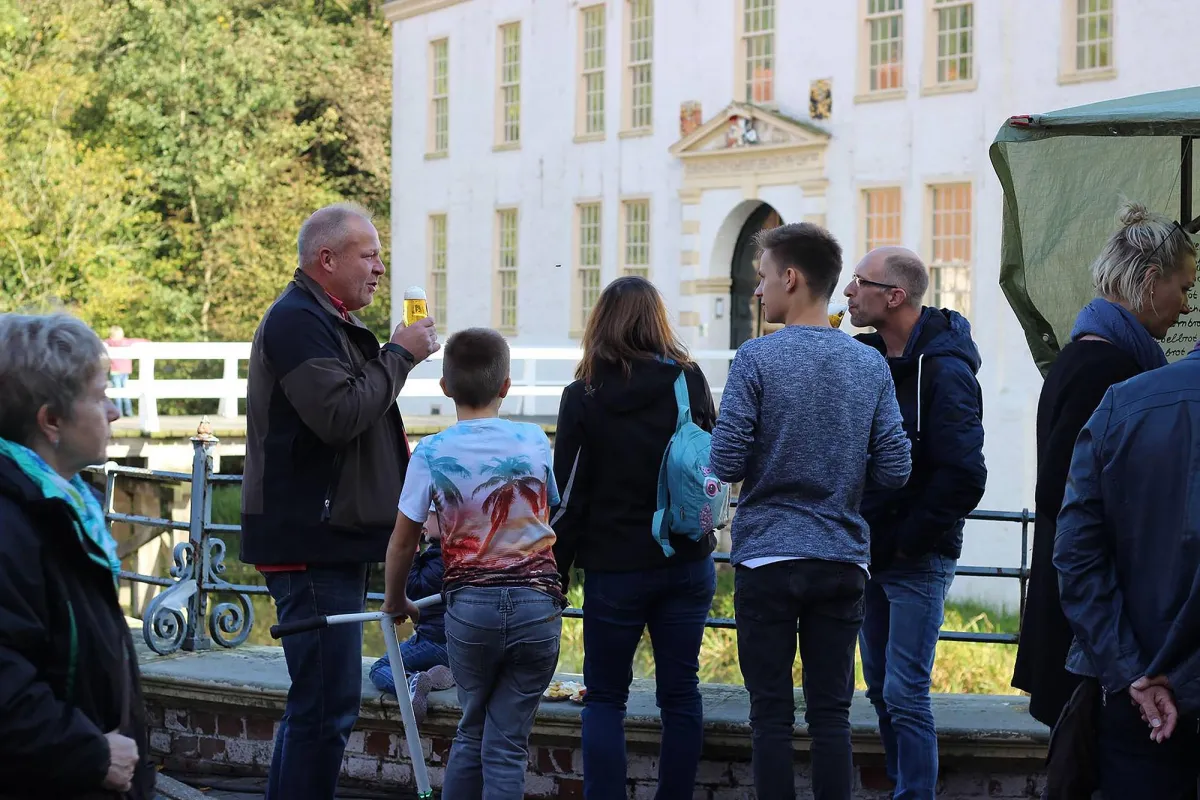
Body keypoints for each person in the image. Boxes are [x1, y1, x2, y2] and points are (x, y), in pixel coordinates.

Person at [240, 203, 440, 800]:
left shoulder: (327, 320)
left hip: (329, 536)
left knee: (320, 707)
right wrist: (399, 355)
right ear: (326, 260)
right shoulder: (297, 321)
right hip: (309, 539)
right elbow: (340, 415)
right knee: (326, 707)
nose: (380, 268)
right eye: (369, 255)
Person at [709, 222, 912, 800]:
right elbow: (896, 469)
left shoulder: (755, 359)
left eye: (763, 278)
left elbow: (724, 460)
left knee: (769, 716)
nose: (758, 291)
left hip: (767, 558)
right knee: (831, 717)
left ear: (791, 279)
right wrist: (842, 473)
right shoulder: (869, 364)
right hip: (840, 556)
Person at [1013, 202, 1197, 731]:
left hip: (1085, 623)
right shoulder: (1106, 368)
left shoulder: (1088, 355)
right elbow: (1059, 494)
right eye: (1183, 289)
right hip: (1090, 630)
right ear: (1149, 279)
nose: (1186, 307)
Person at [551, 275, 719, 799]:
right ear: (657, 321)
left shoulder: (583, 395)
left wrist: (555, 572)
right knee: (680, 693)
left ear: (599, 325)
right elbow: (712, 459)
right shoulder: (688, 381)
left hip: (614, 567)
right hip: (686, 559)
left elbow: (569, 497)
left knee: (604, 697)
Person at [382, 327, 563, 800]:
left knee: (471, 729)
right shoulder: (533, 440)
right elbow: (549, 505)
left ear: (445, 389)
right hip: (536, 607)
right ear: (506, 386)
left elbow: (403, 543)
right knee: (505, 746)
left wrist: (396, 599)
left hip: (471, 611)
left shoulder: (432, 452)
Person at [845, 247, 987, 800]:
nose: (849, 293)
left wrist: (907, 541)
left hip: (916, 555)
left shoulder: (946, 370)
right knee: (881, 688)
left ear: (894, 296)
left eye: (860, 283)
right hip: (870, 550)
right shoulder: (868, 357)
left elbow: (963, 475)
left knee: (905, 691)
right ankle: (907, 785)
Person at [0, 313, 154, 799]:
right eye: (100, 395)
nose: (113, 412)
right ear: (52, 421)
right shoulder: (12, 525)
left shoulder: (63, 507)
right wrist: (90, 753)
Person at [1054, 341, 1200, 798]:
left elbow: (1076, 554)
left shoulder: (1124, 404)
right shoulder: (1122, 404)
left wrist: (1133, 672)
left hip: (1136, 689)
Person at [369, 509, 454, 724]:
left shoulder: (441, 558)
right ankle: (441, 675)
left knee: (379, 668)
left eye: (429, 516)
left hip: (437, 641)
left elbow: (413, 588)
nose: (423, 522)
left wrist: (411, 546)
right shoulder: (457, 552)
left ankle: (411, 683)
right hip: (457, 642)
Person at [103, 325, 146, 418]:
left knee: (118, 392)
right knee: (125, 392)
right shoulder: (126, 342)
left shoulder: (109, 342)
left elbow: (102, 344)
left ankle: (120, 412)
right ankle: (128, 412)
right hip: (125, 370)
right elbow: (138, 341)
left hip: (116, 370)